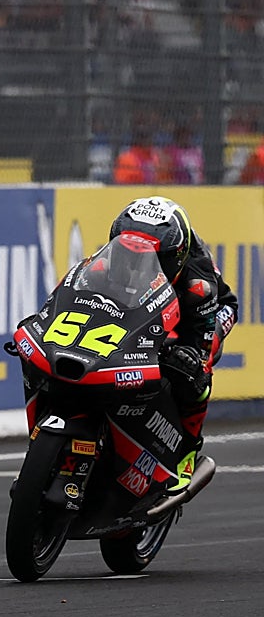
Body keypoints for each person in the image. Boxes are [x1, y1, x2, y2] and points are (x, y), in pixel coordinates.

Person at [107, 196, 238, 492]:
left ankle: (187, 452)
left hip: (207, 313)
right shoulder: (109, 260)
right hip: (159, 302)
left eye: (150, 259)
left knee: (192, 371)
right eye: (129, 255)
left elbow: (200, 344)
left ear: (173, 257)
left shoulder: (198, 285)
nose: (137, 266)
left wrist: (188, 354)